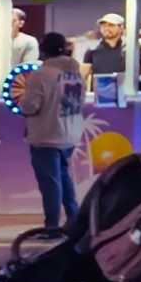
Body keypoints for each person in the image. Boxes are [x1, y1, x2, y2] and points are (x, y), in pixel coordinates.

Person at [16, 31, 85, 230]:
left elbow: (30, 106)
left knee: (50, 183)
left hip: (46, 134)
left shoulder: (41, 75)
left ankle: (52, 226)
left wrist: (21, 102)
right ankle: (74, 220)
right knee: (63, 177)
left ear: (43, 50)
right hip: (70, 135)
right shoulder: (74, 73)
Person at [83, 13, 126, 81]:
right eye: (103, 25)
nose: (106, 28)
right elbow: (83, 76)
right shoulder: (92, 49)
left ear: (121, 28)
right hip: (101, 90)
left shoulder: (132, 48)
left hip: (128, 90)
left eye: (111, 25)